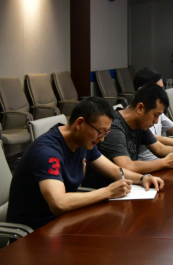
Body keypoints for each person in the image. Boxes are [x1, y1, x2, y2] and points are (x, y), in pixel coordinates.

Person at [7, 98, 164, 229]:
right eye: (100, 132)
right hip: (35, 232)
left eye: (106, 133)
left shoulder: (83, 142)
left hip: (64, 221)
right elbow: (59, 203)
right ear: (79, 123)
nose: (102, 139)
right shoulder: (48, 151)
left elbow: (114, 171)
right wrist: (108, 192)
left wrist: (143, 178)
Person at [82, 84, 173, 189]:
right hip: (105, 191)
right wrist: (164, 163)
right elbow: (126, 166)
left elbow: (159, 148)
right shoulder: (114, 127)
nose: (156, 121)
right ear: (140, 108)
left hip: (127, 187)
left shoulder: (139, 123)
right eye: (155, 115)